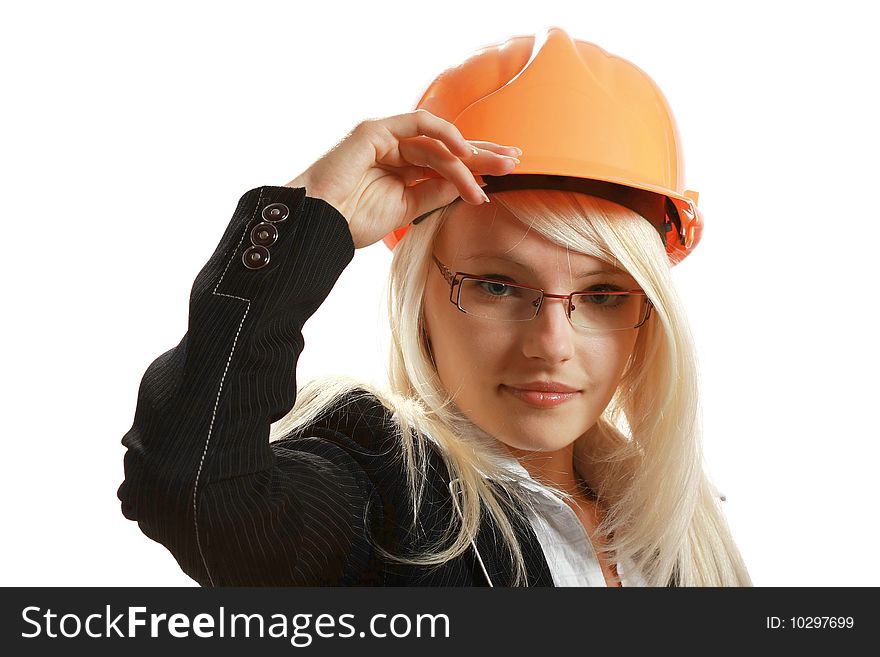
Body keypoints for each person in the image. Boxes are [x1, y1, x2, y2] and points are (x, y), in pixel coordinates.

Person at [118, 27, 752, 587]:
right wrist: (309, 220)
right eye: (499, 286)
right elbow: (196, 487)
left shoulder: (676, 526)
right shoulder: (391, 492)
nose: (552, 344)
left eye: (602, 294)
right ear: (420, 298)